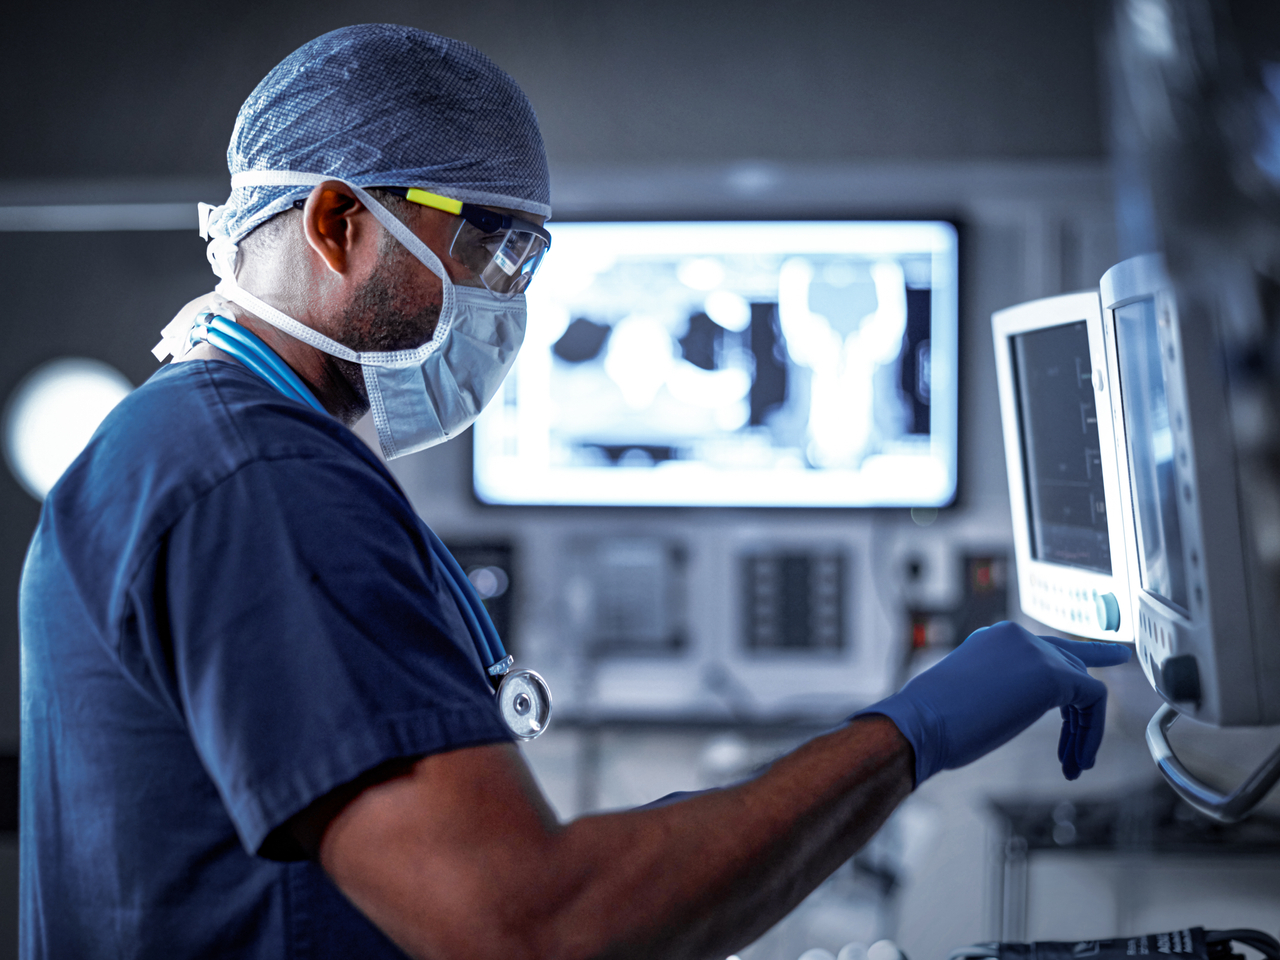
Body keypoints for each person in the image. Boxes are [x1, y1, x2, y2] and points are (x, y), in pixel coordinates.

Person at [18, 24, 1131, 960]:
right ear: (337, 222)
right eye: (493, 251)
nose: (512, 306)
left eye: (531, 264)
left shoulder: (186, 446)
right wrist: (912, 733)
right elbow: (532, 927)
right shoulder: (258, 479)